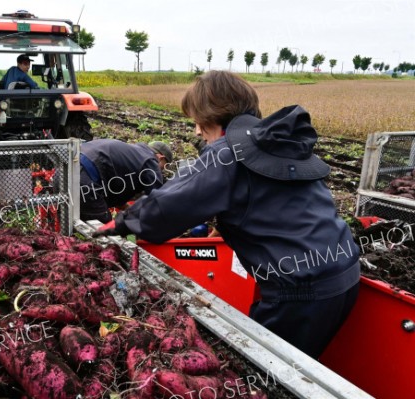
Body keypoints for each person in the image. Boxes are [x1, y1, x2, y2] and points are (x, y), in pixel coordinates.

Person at [94, 70, 360, 359]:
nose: (196, 131)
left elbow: (171, 204)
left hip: (301, 291)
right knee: (300, 365)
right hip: (345, 273)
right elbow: (271, 204)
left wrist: (115, 226)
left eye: (197, 119)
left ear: (213, 114)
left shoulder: (229, 151)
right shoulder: (278, 142)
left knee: (267, 371)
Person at [80, 139, 173, 224]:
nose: (161, 171)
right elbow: (157, 200)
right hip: (87, 177)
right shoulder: (150, 161)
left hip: (72, 164)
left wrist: (123, 205)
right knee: (103, 228)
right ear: (160, 158)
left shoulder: (134, 153)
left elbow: (117, 179)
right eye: (164, 167)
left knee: (74, 218)